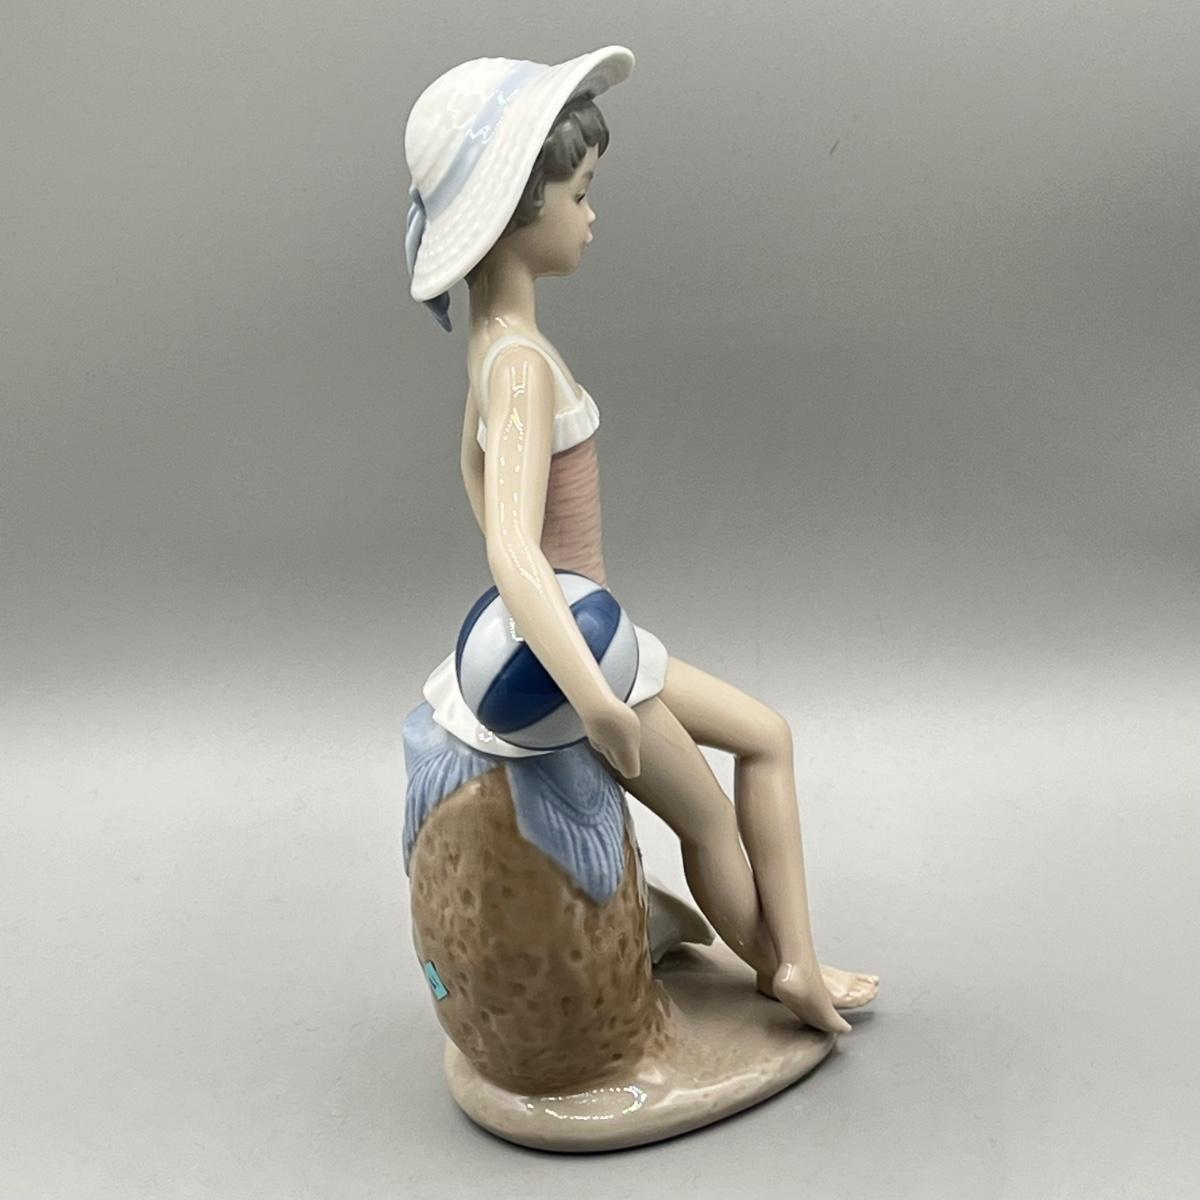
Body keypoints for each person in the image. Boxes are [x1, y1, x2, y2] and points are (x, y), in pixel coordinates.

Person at [405, 47, 878, 1035]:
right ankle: (787, 970)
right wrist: (594, 700)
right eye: (580, 194)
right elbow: (512, 549)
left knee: (765, 737)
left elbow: (474, 481)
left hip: (593, 633)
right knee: (711, 815)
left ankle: (790, 957)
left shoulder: (493, 347)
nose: (592, 216)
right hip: (585, 655)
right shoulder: (522, 367)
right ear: (519, 210)